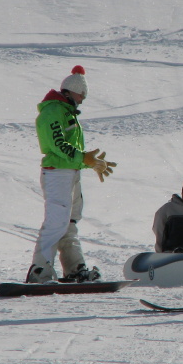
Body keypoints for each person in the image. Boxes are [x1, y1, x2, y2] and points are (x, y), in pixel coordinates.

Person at [26, 65, 117, 283]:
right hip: (57, 174)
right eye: (82, 93)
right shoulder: (52, 112)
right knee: (56, 221)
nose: (84, 98)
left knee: (70, 222)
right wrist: (83, 158)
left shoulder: (67, 112)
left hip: (69, 173)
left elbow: (69, 152)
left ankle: (75, 268)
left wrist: (90, 162)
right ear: (70, 91)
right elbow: (57, 145)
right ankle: (39, 270)